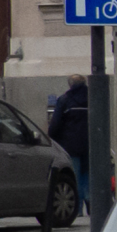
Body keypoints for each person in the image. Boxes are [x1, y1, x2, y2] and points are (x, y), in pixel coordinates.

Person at [46, 75, 90, 215]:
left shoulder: (65, 100)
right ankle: (91, 205)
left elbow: (55, 126)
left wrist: (53, 139)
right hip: (90, 145)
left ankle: (77, 211)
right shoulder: (93, 98)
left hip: (71, 146)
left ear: (70, 85)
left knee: (75, 177)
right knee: (88, 176)